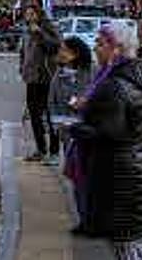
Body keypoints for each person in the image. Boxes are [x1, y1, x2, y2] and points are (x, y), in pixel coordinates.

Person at [71, 22, 142, 259]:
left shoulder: (113, 84)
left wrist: (75, 128)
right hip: (137, 169)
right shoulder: (137, 76)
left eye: (100, 43)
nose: (95, 47)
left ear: (117, 49)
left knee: (126, 246)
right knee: (127, 243)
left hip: (119, 176)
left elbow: (108, 133)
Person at [49, 37, 94, 232]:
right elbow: (52, 102)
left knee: (88, 178)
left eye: (64, 50)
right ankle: (83, 220)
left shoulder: (91, 72)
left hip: (88, 134)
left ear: (75, 53)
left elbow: (94, 100)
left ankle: (92, 219)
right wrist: (57, 127)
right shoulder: (59, 74)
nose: (60, 53)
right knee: (76, 178)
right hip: (69, 134)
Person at [19, 6, 61, 162]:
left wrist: (40, 33)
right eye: (27, 14)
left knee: (50, 115)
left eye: (32, 14)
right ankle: (41, 149)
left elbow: (55, 46)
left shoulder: (47, 28)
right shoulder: (26, 31)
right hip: (32, 78)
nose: (29, 17)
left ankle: (55, 152)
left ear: (38, 15)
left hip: (46, 77)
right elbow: (24, 52)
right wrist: (22, 68)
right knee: (34, 115)